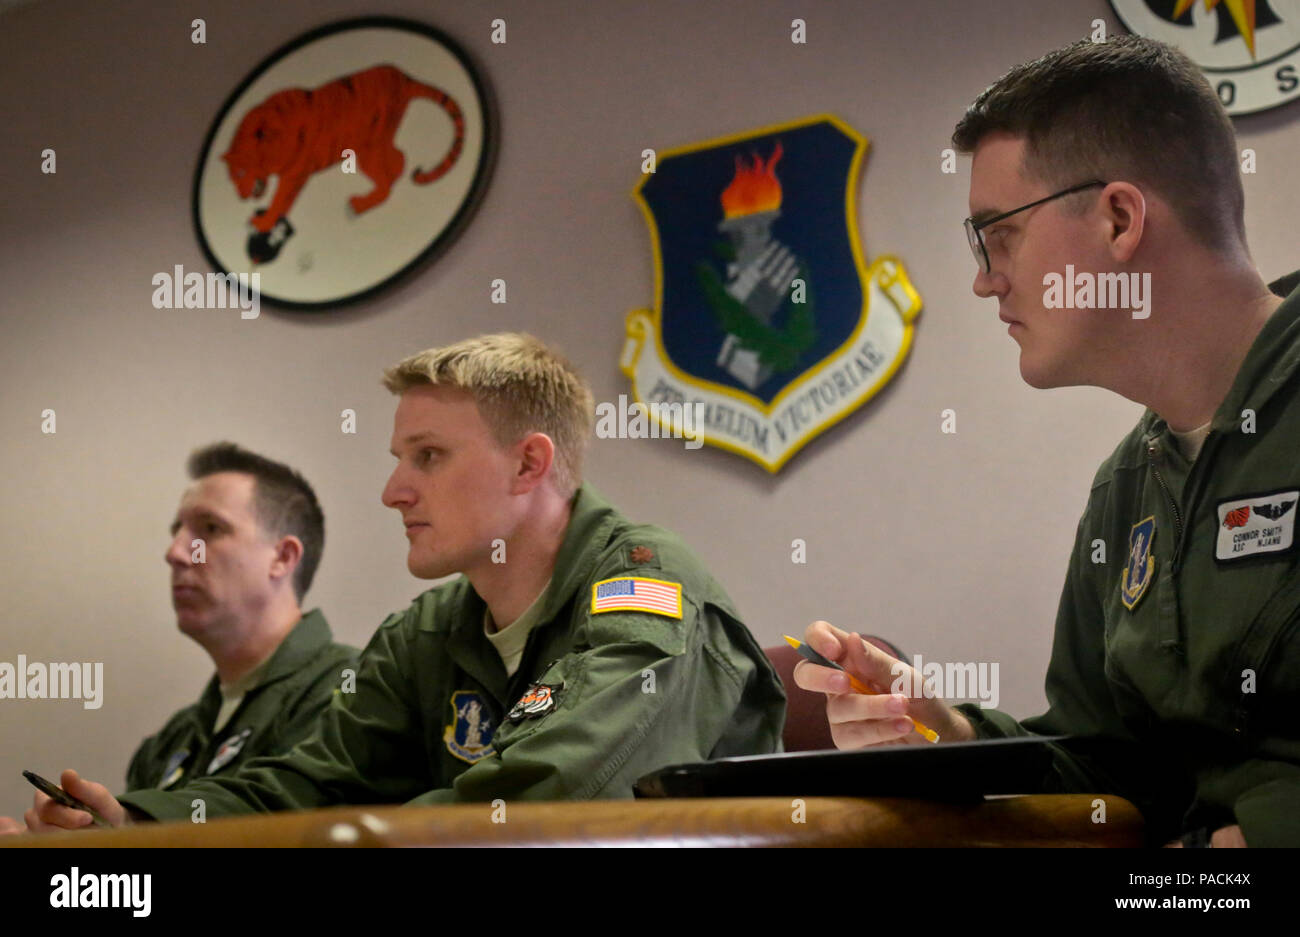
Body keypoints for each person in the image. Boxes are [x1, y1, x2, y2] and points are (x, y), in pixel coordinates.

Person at [794, 36, 1300, 848]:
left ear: (1120, 218)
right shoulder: (1126, 490)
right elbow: (1113, 774)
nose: (985, 278)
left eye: (998, 233)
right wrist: (949, 731)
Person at [18, 333, 783, 829]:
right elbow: (307, 784)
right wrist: (135, 820)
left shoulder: (646, 585)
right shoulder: (428, 630)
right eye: (397, 458)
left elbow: (548, 796)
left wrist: (352, 832)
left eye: (427, 456)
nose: (393, 491)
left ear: (529, 463)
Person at [0, 442, 358, 834]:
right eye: (177, 533)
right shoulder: (172, 739)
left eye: (210, 529)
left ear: (283, 558)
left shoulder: (355, 692)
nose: (175, 553)